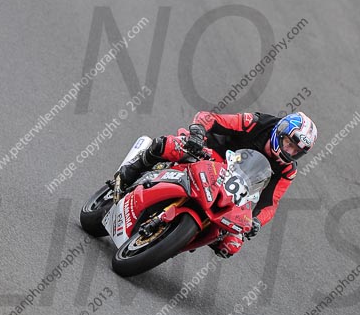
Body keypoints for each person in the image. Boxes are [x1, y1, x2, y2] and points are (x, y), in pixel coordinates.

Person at [115, 110, 318, 258]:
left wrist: (256, 221)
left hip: (237, 188)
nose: (289, 152)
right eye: (289, 144)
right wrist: (197, 133)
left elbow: (270, 203)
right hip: (211, 154)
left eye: (296, 151)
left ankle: (174, 241)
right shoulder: (257, 122)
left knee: (232, 244)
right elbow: (211, 118)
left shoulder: (287, 170)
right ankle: (132, 170)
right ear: (280, 132)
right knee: (170, 145)